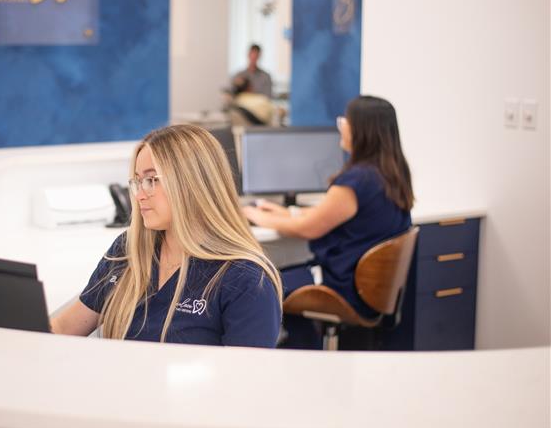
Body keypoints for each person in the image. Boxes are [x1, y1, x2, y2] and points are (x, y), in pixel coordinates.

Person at [51, 124, 283, 347]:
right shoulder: (128, 249)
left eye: (151, 180)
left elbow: (246, 381)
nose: (140, 195)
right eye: (137, 181)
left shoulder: (246, 279)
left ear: (191, 184)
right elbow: (63, 328)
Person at [243, 95, 413, 346]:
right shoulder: (390, 173)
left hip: (345, 288)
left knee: (263, 284)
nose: (341, 125)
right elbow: (324, 215)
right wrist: (281, 212)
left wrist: (254, 215)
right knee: (281, 282)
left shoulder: (356, 182)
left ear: (362, 130)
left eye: (346, 120)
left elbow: (307, 228)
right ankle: (306, 349)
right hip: (368, 288)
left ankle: (303, 357)